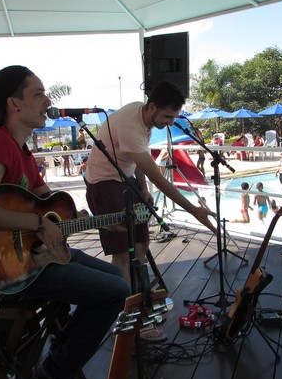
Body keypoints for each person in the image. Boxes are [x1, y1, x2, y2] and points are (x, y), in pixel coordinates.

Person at [0, 65, 129, 379]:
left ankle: (61, 360)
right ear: (14, 104)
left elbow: (43, 200)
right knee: (114, 291)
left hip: (37, 255)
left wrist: (80, 217)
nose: (47, 100)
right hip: (9, 266)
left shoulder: (21, 149)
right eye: (38, 94)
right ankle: (55, 371)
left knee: (115, 278)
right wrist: (37, 224)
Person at [84, 79, 216, 282]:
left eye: (174, 117)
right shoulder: (129, 126)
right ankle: (125, 304)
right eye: (167, 116)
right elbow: (160, 179)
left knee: (141, 244)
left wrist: (143, 187)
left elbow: (140, 157)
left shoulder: (144, 115)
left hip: (126, 179)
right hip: (104, 183)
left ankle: (139, 294)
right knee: (121, 253)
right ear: (152, 107)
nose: (171, 123)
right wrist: (193, 210)